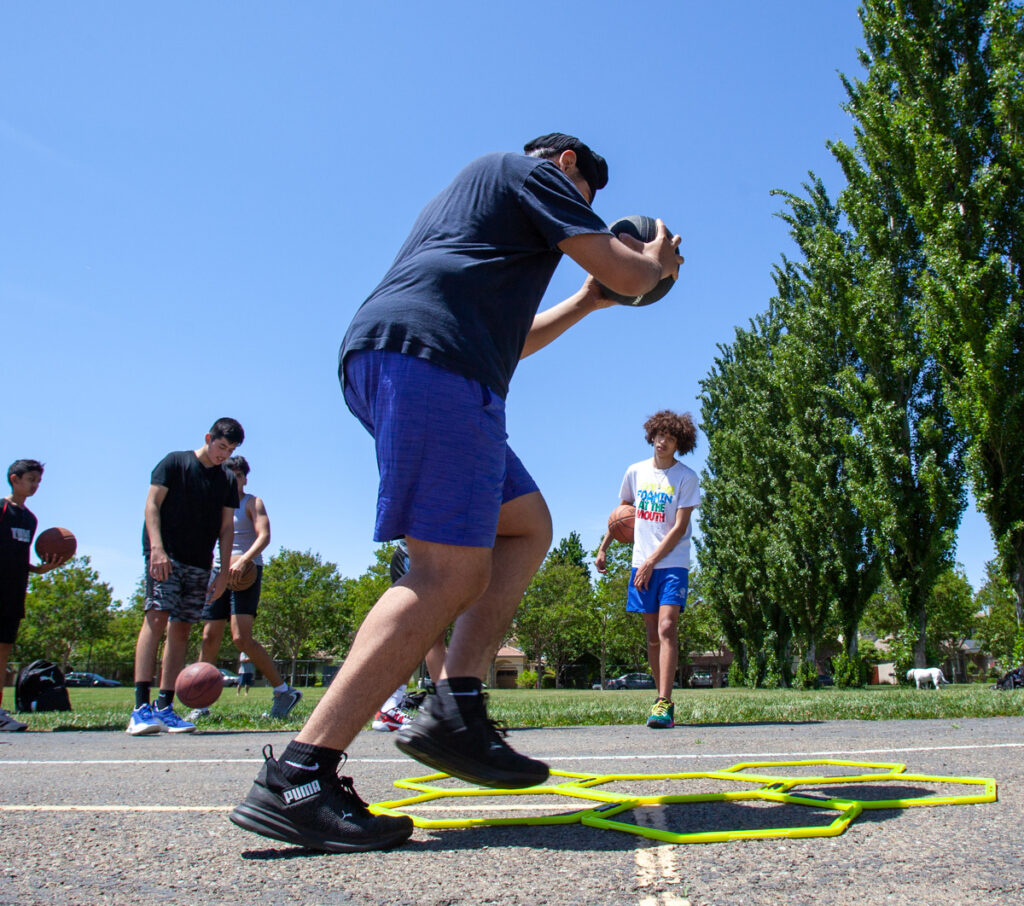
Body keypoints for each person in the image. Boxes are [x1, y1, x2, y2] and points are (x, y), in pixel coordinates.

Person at [231, 132, 683, 853]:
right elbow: (633, 273)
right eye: (583, 207)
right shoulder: (526, 171)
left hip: (432, 361)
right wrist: (650, 261)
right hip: (432, 364)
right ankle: (301, 773)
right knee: (447, 572)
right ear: (566, 167)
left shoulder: (483, 216)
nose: (577, 219)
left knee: (527, 526)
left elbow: (515, 340)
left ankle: (456, 707)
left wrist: (591, 300)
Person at [126, 418, 243, 736]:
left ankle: (165, 707)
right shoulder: (175, 462)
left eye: (230, 450)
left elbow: (227, 527)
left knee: (181, 630)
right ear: (208, 438)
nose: (224, 454)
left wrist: (221, 571)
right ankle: (140, 708)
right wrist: (157, 549)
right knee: (156, 619)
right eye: (221, 446)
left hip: (200, 562)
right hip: (166, 555)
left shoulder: (226, 480)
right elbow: (152, 505)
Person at [595, 411, 700, 730]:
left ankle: (665, 702)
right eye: (659, 435)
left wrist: (653, 560)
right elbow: (621, 515)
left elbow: (680, 527)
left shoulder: (686, 478)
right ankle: (659, 699)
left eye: (670, 437)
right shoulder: (635, 472)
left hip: (671, 563)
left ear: (679, 443)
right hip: (641, 563)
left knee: (668, 627)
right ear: (651, 436)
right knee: (652, 636)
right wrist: (604, 548)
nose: (663, 441)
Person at [192, 456, 302, 721]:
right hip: (218, 574)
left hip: (246, 572)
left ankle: (284, 690)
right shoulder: (215, 504)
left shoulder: (253, 502)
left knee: (241, 638)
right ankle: (202, 703)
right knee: (209, 637)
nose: (234, 479)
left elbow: (264, 536)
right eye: (228, 473)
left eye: (238, 474)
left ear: (244, 478)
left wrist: (243, 560)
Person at [0, 460, 70, 731]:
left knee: (4, 651)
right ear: (14, 479)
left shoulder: (30, 519)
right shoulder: (2, 509)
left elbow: (19, 559)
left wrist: (39, 568)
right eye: (30, 479)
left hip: (14, 591)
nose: (35, 485)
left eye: (38, 481)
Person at [371, 539, 445, 732]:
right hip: (416, 556)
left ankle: (446, 706)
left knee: (433, 633)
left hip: (433, 556)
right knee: (424, 632)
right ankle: (388, 707)